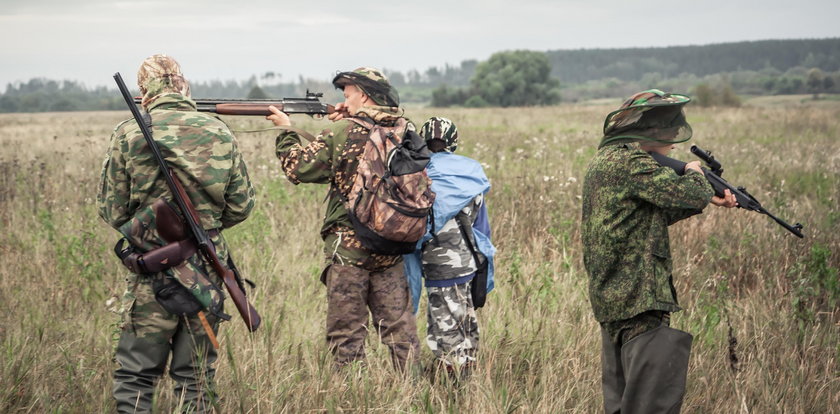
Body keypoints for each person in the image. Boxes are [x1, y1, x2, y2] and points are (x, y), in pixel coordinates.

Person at [98, 54, 255, 413]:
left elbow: (112, 210)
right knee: (196, 380)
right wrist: (199, 231)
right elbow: (241, 206)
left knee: (137, 377)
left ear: (143, 92)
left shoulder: (129, 132)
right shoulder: (218, 130)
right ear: (182, 84)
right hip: (206, 272)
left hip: (152, 273)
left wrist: (154, 228)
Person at [581, 89, 736, 413]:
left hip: (613, 300)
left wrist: (707, 197)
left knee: (623, 404)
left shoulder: (607, 161)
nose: (673, 143)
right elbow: (689, 194)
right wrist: (696, 175)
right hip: (639, 296)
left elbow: (644, 218)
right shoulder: (632, 163)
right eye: (668, 132)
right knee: (651, 405)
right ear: (650, 132)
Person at [266, 67, 420, 371]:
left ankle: (352, 397)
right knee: (401, 334)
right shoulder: (404, 129)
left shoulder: (342, 131)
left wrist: (285, 130)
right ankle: (413, 392)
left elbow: (299, 168)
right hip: (392, 246)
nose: (344, 99)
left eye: (347, 94)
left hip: (350, 249)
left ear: (362, 94)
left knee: (347, 336)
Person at [402, 117, 495, 378]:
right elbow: (481, 227)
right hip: (468, 261)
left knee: (443, 321)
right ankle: (467, 370)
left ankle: (452, 381)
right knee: (465, 318)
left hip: (437, 264)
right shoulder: (471, 173)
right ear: (453, 142)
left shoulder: (420, 175)